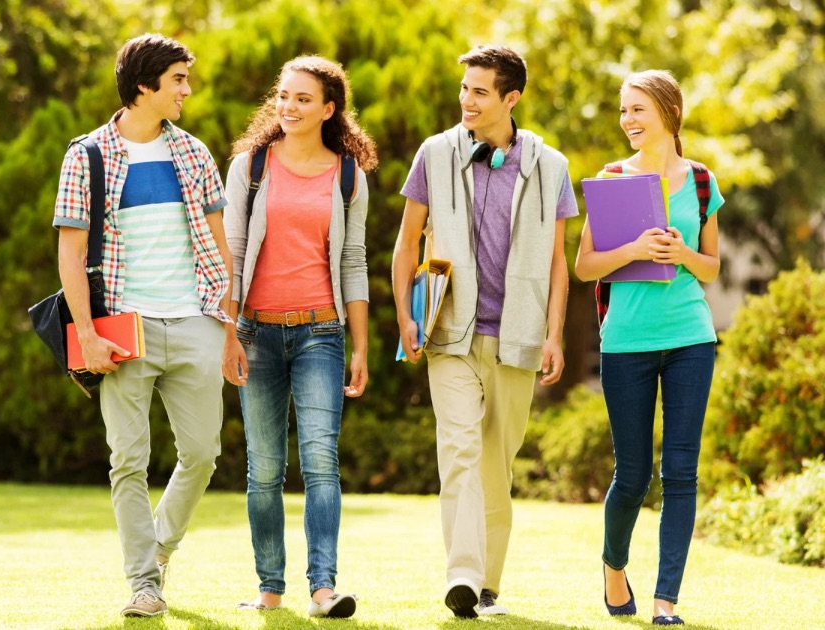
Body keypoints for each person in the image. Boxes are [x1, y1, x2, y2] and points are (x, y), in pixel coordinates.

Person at [391, 45, 576, 619]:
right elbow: (406, 242)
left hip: (516, 334)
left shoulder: (550, 165)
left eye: (479, 91)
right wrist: (405, 316)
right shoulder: (435, 154)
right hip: (449, 330)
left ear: (510, 97)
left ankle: (488, 583)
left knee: (496, 463)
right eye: (464, 89)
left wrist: (554, 334)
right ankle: (464, 577)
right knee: (460, 452)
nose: (466, 101)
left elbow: (556, 261)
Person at [52, 33, 233, 619]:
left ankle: (158, 550)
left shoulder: (195, 153)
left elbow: (220, 248)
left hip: (194, 319)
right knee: (127, 459)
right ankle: (143, 583)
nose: (187, 89)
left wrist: (228, 326)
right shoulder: (88, 155)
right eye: (178, 79)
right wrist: (88, 334)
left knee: (203, 452)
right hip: (121, 327)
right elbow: (70, 255)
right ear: (143, 86)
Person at [222, 55, 376, 619]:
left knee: (320, 464)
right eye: (283, 95)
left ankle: (323, 589)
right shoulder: (249, 167)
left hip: (321, 333)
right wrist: (228, 334)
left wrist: (360, 346)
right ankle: (269, 587)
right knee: (263, 469)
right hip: (255, 333)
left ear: (329, 109)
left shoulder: (347, 176)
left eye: (303, 99)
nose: (288, 106)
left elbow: (354, 263)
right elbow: (232, 257)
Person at [574, 69, 723, 627]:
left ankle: (666, 601)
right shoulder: (612, 178)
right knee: (632, 474)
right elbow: (585, 265)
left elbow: (711, 267)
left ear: (667, 110)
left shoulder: (702, 181)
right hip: (627, 342)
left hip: (690, 337)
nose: (628, 120)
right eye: (623, 110)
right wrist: (634, 247)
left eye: (637, 109)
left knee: (681, 471)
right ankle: (614, 567)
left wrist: (682, 253)